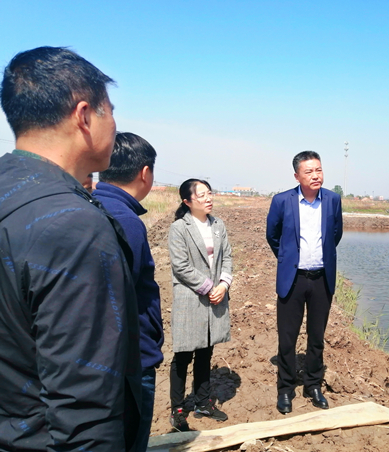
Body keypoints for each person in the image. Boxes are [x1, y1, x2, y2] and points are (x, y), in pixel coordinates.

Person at [0, 47, 141, 451]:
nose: (114, 124)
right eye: (110, 111)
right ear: (84, 116)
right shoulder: (73, 226)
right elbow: (85, 407)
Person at [93, 132, 164, 451]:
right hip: (130, 361)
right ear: (145, 173)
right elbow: (120, 298)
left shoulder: (92, 205)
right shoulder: (126, 221)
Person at [266, 151, 343, 414]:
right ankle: (285, 389)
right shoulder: (281, 201)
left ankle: (312, 385)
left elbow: (336, 234)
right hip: (293, 279)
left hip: (321, 278)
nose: (315, 175)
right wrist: (288, 258)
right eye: (309, 171)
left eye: (318, 170)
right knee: (287, 338)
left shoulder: (332, 200)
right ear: (297, 176)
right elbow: (272, 235)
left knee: (317, 337)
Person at [168, 179, 233, 431]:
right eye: (202, 195)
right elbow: (181, 266)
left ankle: (203, 402)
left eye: (209, 193)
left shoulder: (218, 225)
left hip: (215, 298)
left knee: (206, 352)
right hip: (191, 298)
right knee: (183, 355)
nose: (208, 198)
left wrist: (223, 285)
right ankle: (178, 409)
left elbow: (227, 257)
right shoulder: (179, 228)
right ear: (187, 201)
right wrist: (208, 287)